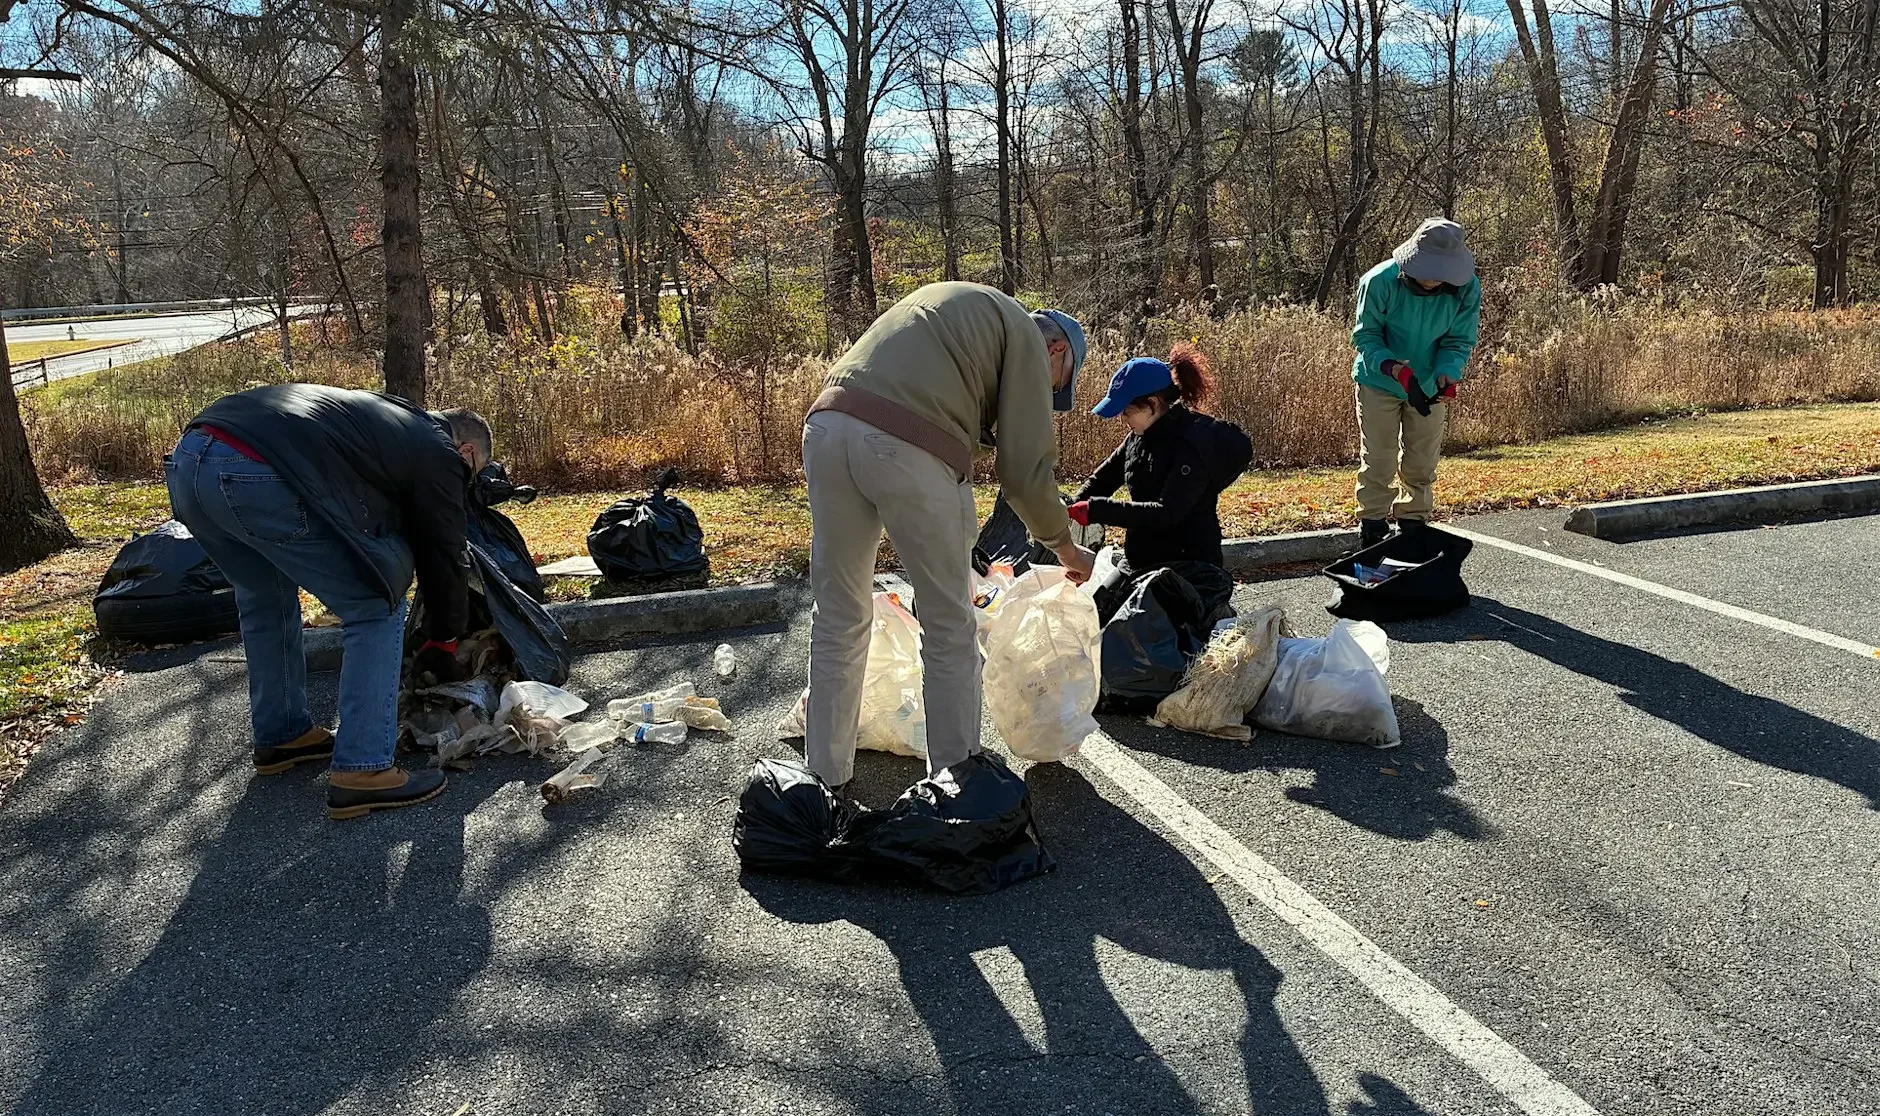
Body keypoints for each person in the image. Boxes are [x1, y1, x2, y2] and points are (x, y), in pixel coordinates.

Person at [801, 281, 1096, 793]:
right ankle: (956, 788)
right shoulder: (1025, 336)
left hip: (827, 427)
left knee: (839, 615)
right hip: (907, 444)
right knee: (948, 625)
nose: (1048, 395)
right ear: (1055, 350)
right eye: (1056, 385)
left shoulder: (959, 311)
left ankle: (823, 783)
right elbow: (1024, 471)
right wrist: (1065, 546)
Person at [165, 384, 492, 820]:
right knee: (376, 606)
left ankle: (284, 736)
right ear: (466, 450)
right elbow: (443, 547)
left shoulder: (384, 420)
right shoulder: (436, 448)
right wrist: (446, 636)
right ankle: (364, 772)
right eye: (472, 473)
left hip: (190, 463)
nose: (464, 482)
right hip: (251, 473)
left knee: (265, 597)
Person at [1351, 217, 1483, 548]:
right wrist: (1394, 369)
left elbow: (1458, 341)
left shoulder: (1467, 288)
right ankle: (1373, 529)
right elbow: (1366, 337)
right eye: (1427, 269)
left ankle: (1414, 526)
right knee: (1379, 458)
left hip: (1428, 387)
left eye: (1440, 272)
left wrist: (1448, 374)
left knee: (1422, 460)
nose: (1432, 279)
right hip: (1379, 380)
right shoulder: (1379, 281)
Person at [1069, 342, 1251, 573]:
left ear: (1153, 404)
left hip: (1186, 568)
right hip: (1140, 561)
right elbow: (1102, 480)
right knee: (1098, 606)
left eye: (1127, 411)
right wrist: (1069, 507)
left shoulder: (1191, 446)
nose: (1123, 419)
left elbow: (1166, 514)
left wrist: (1097, 510)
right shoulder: (1138, 437)